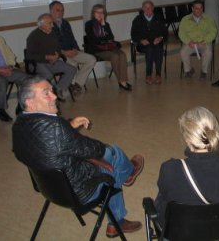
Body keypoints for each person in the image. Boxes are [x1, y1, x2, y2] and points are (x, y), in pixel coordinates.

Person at [12, 76, 144, 238]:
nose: (54, 96)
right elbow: (94, 149)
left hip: (50, 189)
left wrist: (69, 126)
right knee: (111, 154)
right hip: (79, 191)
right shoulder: (56, 128)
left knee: (106, 160)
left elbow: (45, 142)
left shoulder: (18, 126)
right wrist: (69, 132)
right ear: (30, 102)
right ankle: (127, 179)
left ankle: (123, 183)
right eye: (46, 93)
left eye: (52, 91)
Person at [154, 106, 219, 226]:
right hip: (215, 230)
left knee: (161, 198)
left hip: (176, 232)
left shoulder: (170, 169)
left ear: (188, 139)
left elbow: (163, 191)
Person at [26, 13, 77, 100]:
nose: (52, 25)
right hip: (38, 63)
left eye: (52, 23)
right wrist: (46, 57)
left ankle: (58, 89)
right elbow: (29, 56)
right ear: (41, 24)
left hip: (53, 61)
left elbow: (58, 47)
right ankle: (45, 96)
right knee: (48, 75)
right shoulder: (33, 36)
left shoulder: (52, 33)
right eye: (50, 23)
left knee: (71, 69)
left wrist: (57, 56)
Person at [49, 1, 96, 93]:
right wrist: (64, 52)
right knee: (72, 64)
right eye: (58, 10)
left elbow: (72, 38)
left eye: (62, 10)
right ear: (51, 11)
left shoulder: (65, 23)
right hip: (59, 54)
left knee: (92, 59)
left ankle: (77, 84)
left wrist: (76, 49)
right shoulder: (48, 24)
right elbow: (51, 45)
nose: (61, 12)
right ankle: (71, 84)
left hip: (72, 51)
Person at [85, 4, 131, 91]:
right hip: (97, 49)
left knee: (122, 54)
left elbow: (111, 37)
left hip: (109, 47)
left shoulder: (106, 24)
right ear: (93, 13)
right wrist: (104, 39)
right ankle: (122, 82)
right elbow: (94, 40)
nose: (100, 14)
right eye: (97, 12)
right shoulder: (89, 24)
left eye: (102, 12)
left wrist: (103, 25)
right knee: (115, 56)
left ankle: (123, 80)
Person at [131, 0, 168, 85]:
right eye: (146, 8)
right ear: (143, 9)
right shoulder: (137, 19)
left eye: (150, 7)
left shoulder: (159, 18)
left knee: (158, 48)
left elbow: (165, 33)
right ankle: (148, 75)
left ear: (153, 8)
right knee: (150, 48)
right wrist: (141, 40)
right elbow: (133, 34)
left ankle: (158, 74)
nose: (148, 9)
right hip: (143, 44)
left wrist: (160, 38)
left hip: (157, 43)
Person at [179, 0, 218, 79]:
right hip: (190, 43)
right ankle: (189, 70)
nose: (199, 10)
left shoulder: (209, 19)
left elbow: (213, 31)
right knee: (183, 52)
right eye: (196, 8)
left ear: (202, 8)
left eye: (200, 8)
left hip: (204, 42)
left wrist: (205, 40)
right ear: (192, 9)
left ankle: (204, 71)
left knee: (208, 53)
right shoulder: (185, 19)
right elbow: (181, 33)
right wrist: (188, 41)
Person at [0, 35, 27, 122]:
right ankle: (0, 109)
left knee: (25, 78)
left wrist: (10, 65)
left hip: (6, 68)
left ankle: (21, 105)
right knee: (2, 82)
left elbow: (9, 53)